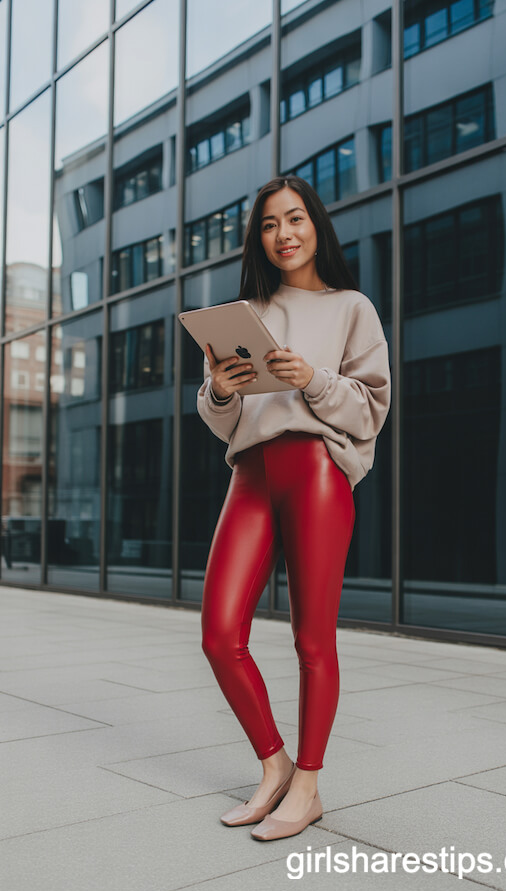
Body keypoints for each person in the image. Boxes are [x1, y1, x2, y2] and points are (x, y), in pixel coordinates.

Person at [196, 175, 391, 841]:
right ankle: (274, 764)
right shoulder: (246, 313)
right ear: (259, 237)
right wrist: (220, 391)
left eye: (296, 219)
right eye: (272, 224)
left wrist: (314, 379)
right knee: (220, 634)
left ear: (316, 226)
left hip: (314, 468)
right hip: (250, 473)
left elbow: (371, 407)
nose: (284, 233)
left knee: (312, 638)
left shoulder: (351, 308)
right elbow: (225, 421)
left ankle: (307, 786)